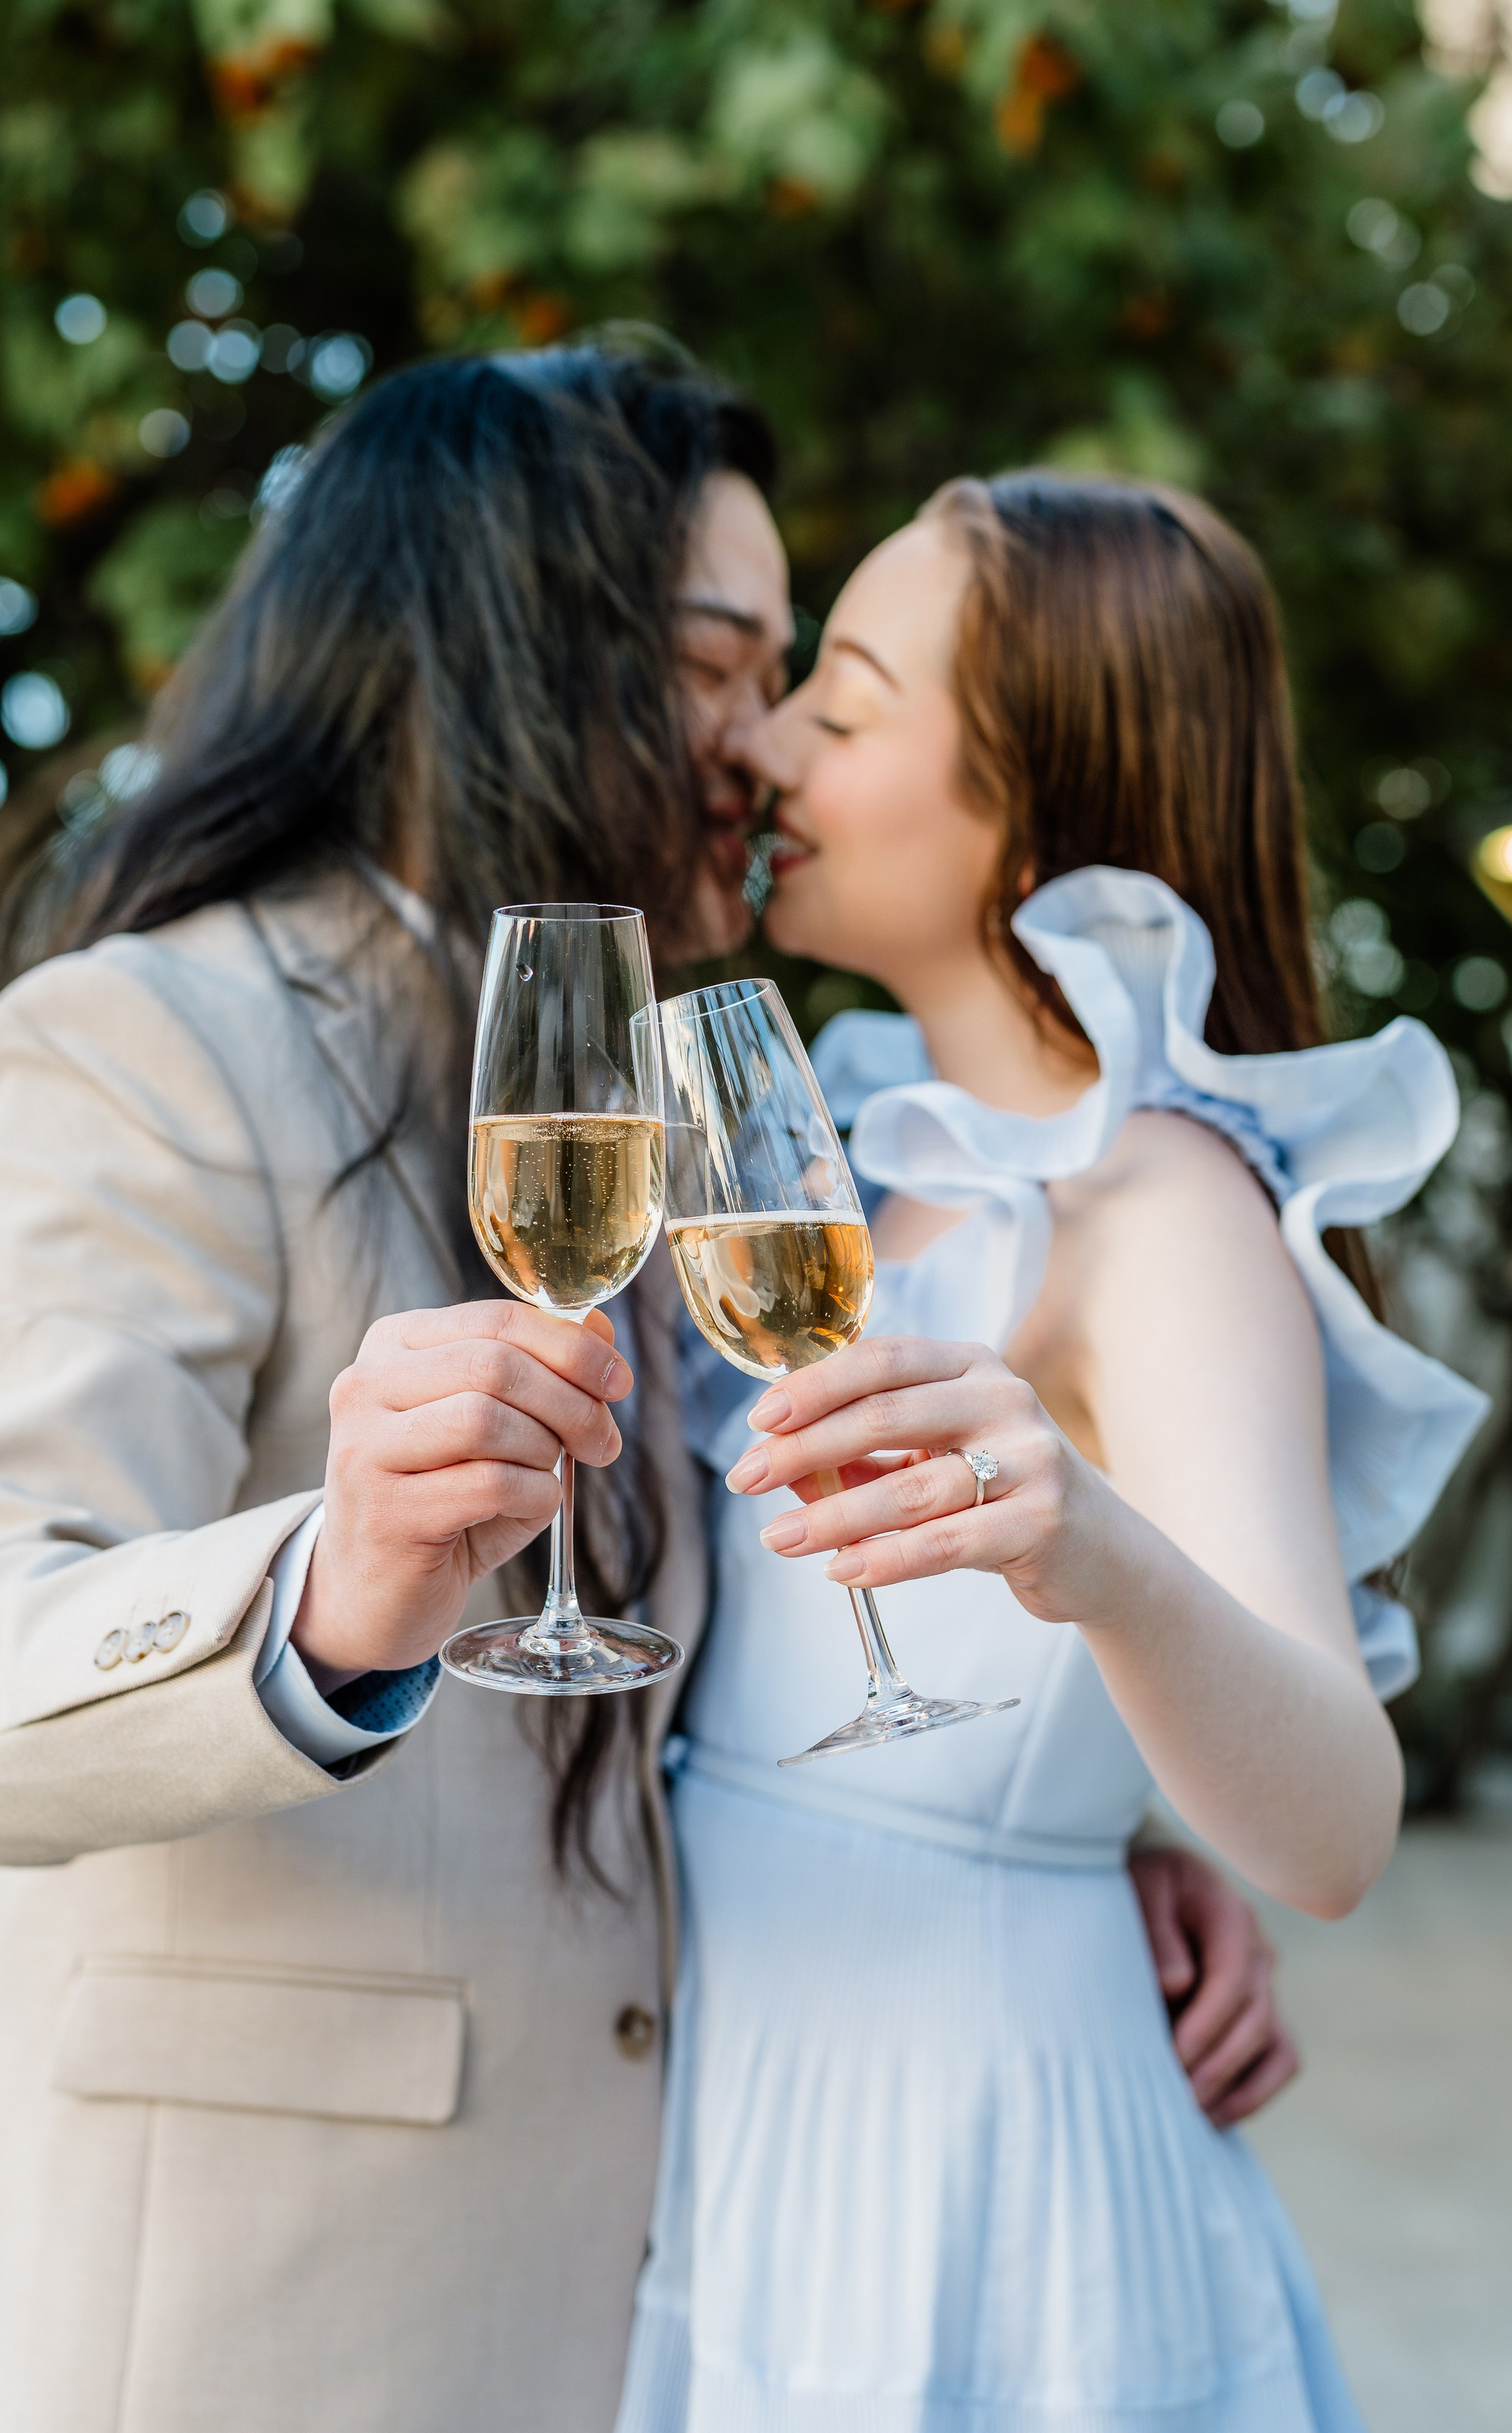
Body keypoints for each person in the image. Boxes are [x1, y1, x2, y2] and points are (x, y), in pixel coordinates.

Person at [0, 356, 1292, 2433]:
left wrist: (1054, 1829)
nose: (764, 746)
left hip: (616, 2324)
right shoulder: (144, 1042)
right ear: (517, 652)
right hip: (209, 2338)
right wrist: (332, 1598)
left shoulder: (647, 1088)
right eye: (720, 665)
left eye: (800, 680)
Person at [616, 472, 1489, 2433]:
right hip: (753, 2112)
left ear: (1040, 798)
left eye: (839, 706)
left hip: (974, 2160)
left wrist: (1090, 1554)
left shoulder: (1154, 1209)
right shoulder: (856, 1147)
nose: (759, 745)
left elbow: (1341, 1824)